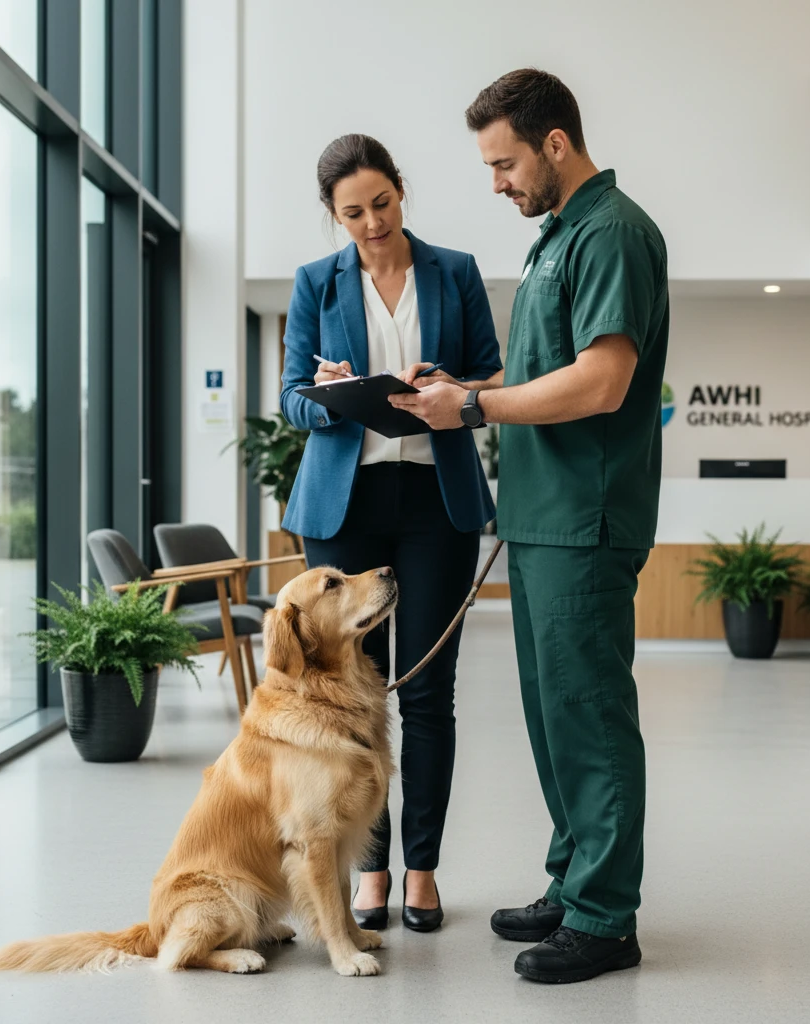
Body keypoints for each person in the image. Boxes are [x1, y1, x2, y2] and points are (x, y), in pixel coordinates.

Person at [390, 69, 669, 983]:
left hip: (585, 519)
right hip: (544, 518)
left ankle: (605, 917)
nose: (497, 182)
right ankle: (571, 881)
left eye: (505, 162)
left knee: (588, 718)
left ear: (555, 144)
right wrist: (469, 389)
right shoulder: (557, 240)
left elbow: (603, 381)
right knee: (554, 722)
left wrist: (473, 410)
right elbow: (538, 375)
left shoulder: (612, 232)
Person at [279, 134, 502, 933]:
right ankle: (366, 871)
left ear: (401, 191)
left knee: (428, 695)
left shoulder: (457, 271)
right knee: (351, 702)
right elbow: (292, 400)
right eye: (352, 213)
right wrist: (332, 394)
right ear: (332, 216)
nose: (371, 223)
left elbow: (492, 373)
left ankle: (422, 871)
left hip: (436, 500)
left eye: (382, 203)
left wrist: (454, 387)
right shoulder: (315, 283)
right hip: (347, 510)